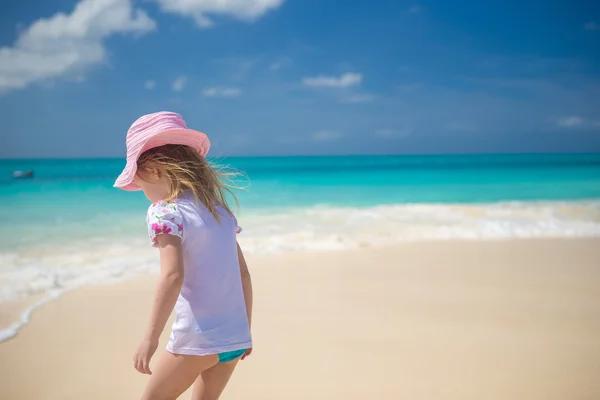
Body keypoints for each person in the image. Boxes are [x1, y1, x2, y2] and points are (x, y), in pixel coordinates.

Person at [114, 111, 253, 400]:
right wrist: (244, 331)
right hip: (234, 336)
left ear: (153, 169)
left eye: (137, 180)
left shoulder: (165, 211)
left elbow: (172, 275)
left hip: (197, 338)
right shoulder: (218, 210)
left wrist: (150, 340)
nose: (139, 189)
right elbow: (243, 275)